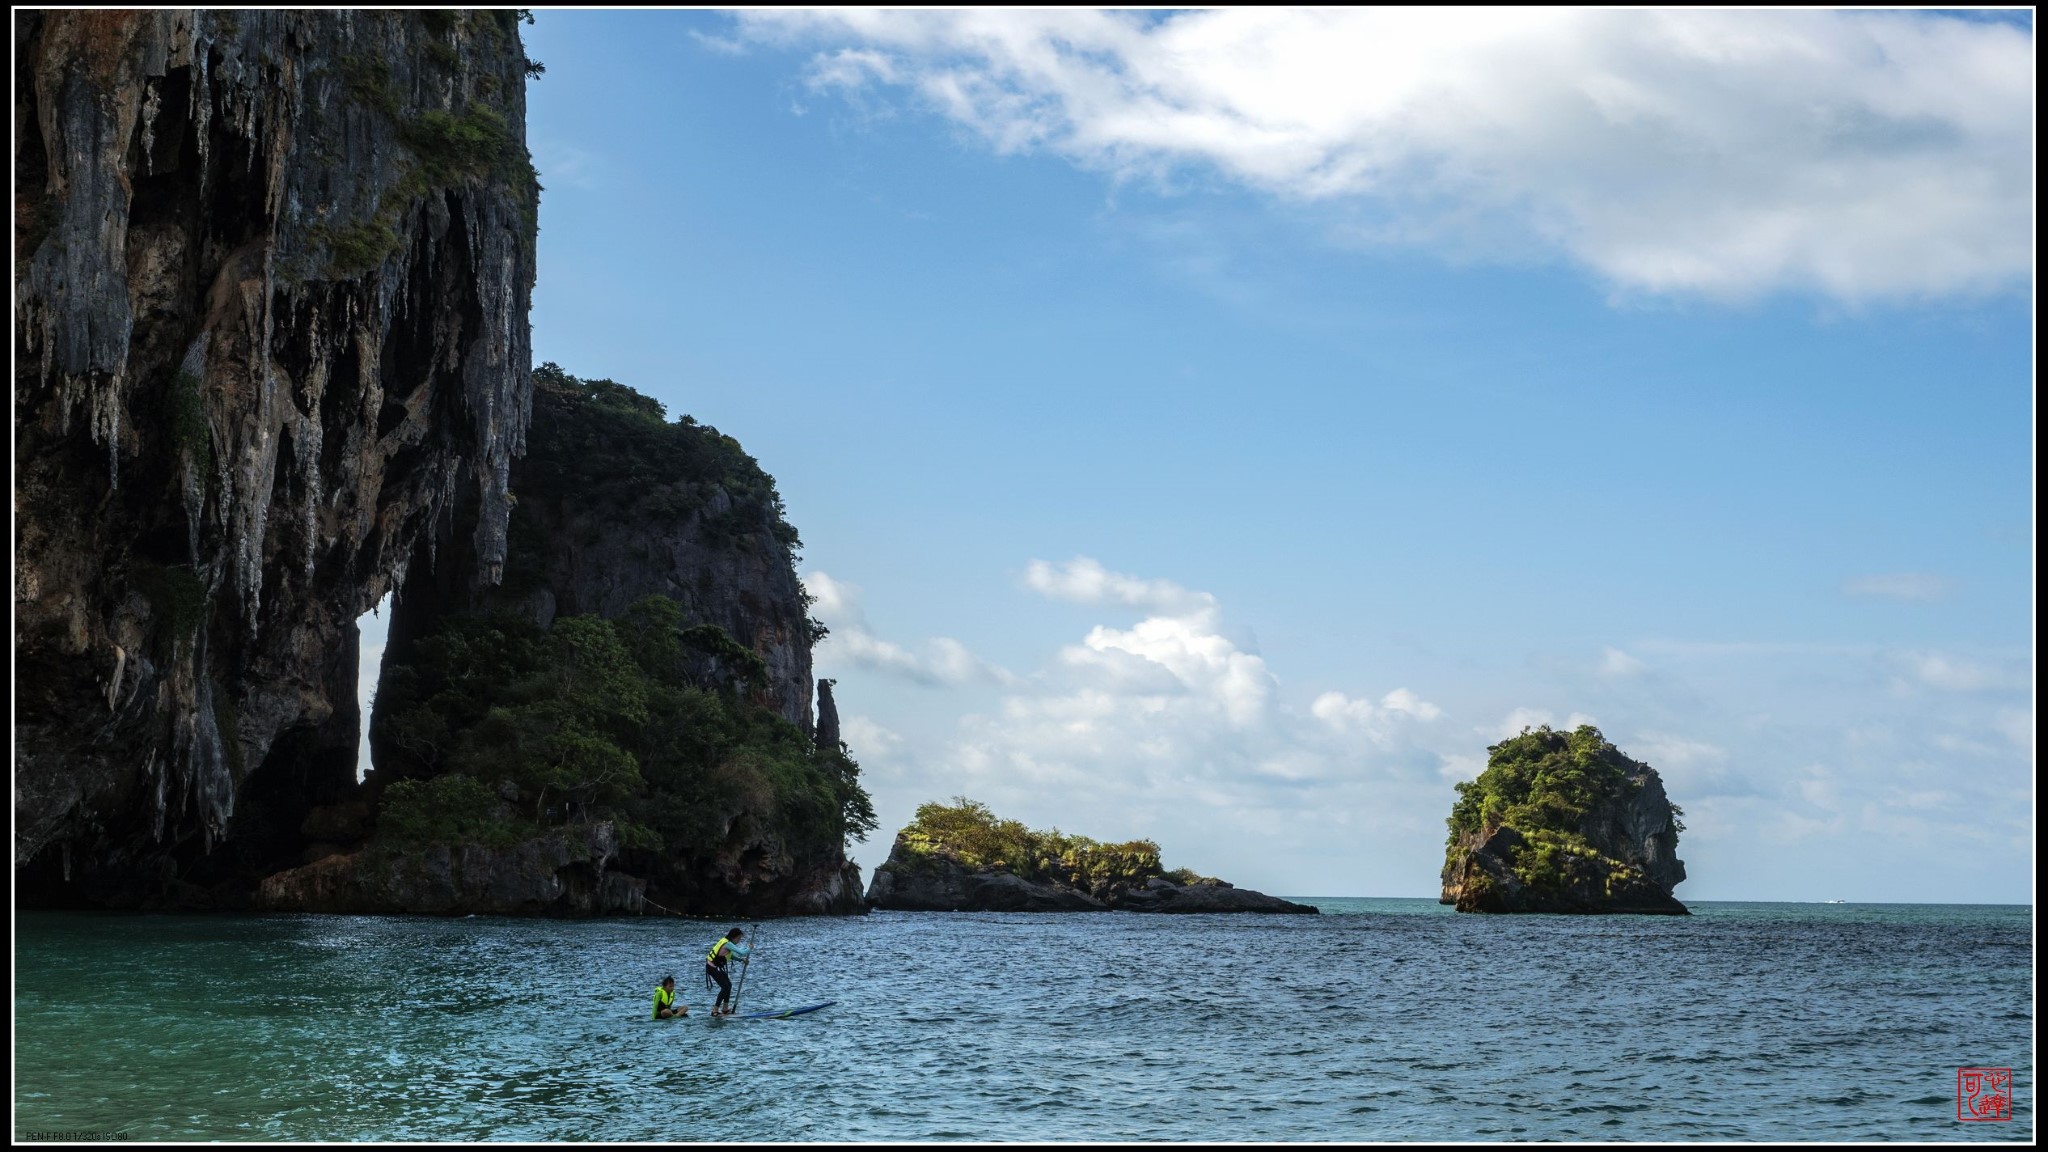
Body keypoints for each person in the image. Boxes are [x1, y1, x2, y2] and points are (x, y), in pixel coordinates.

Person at [704, 928, 751, 1016]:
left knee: (728, 985)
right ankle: (715, 1011)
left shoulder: (726, 941)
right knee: (725, 987)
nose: (739, 941)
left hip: (715, 967)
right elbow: (742, 952)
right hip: (712, 967)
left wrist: (740, 960)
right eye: (739, 938)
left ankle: (725, 1009)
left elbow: (730, 955)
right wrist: (750, 948)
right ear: (734, 937)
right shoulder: (728, 943)